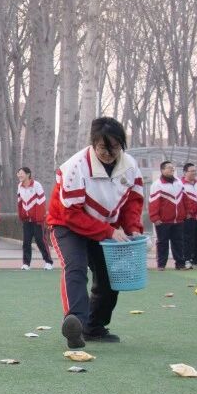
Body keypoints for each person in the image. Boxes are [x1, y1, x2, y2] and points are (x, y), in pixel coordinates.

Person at [47, 116, 145, 348]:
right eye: (103, 148)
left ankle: (94, 326)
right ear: (93, 144)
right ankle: (75, 324)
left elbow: (133, 201)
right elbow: (71, 215)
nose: (109, 154)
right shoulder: (75, 167)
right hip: (67, 224)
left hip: (103, 226)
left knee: (110, 275)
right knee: (76, 267)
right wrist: (108, 232)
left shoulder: (130, 166)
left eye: (115, 147)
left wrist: (132, 228)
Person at [148, 160, 187, 271]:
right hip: (163, 221)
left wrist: (186, 213)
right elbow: (153, 203)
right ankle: (161, 265)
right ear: (162, 170)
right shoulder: (157, 185)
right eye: (169, 167)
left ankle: (180, 264)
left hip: (178, 220)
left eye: (172, 167)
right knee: (162, 243)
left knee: (179, 242)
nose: (172, 169)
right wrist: (155, 217)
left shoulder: (179, 182)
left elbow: (185, 199)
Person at [16, 167, 53, 271]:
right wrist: (22, 215)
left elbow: (41, 202)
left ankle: (48, 262)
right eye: (18, 173)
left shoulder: (37, 185)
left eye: (21, 173)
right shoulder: (19, 186)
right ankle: (26, 263)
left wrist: (39, 218)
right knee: (26, 242)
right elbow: (20, 202)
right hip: (26, 220)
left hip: (38, 220)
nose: (19, 175)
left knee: (40, 241)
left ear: (28, 174)